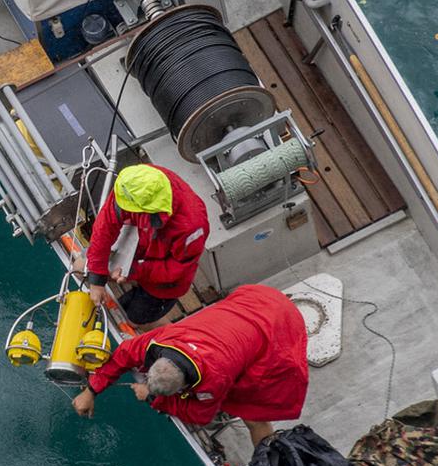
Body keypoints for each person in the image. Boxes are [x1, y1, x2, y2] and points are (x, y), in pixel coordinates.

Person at [71, 284, 309, 446]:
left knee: (254, 415)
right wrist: (91, 390)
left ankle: (266, 463)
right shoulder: (162, 341)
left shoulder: (214, 378)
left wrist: (153, 397)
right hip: (257, 301)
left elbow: (200, 413)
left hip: (279, 326)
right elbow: (124, 354)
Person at [85, 163, 211, 328]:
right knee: (82, 266)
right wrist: (96, 278)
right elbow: (105, 227)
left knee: (135, 320)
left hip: (164, 283)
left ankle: (174, 335)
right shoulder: (133, 184)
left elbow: (177, 269)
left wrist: (135, 271)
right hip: (140, 243)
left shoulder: (193, 226)